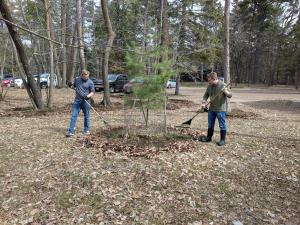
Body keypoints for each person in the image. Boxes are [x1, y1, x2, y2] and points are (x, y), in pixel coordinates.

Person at [201, 72, 232, 146]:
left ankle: (222, 140)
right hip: (211, 109)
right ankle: (208, 138)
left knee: (222, 125)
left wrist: (225, 91)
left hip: (221, 109)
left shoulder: (222, 85)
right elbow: (205, 96)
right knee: (210, 124)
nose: (208, 82)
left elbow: (230, 95)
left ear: (214, 79)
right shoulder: (209, 86)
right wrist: (203, 103)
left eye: (209, 80)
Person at [66, 69, 95, 137]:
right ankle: (71, 130)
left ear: (88, 75)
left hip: (86, 101)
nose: (85, 77)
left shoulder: (90, 82)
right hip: (77, 101)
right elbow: (71, 84)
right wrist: (69, 84)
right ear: (81, 75)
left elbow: (93, 92)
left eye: (86, 76)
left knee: (87, 115)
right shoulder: (77, 79)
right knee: (74, 115)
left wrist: (87, 96)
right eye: (83, 76)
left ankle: (86, 130)